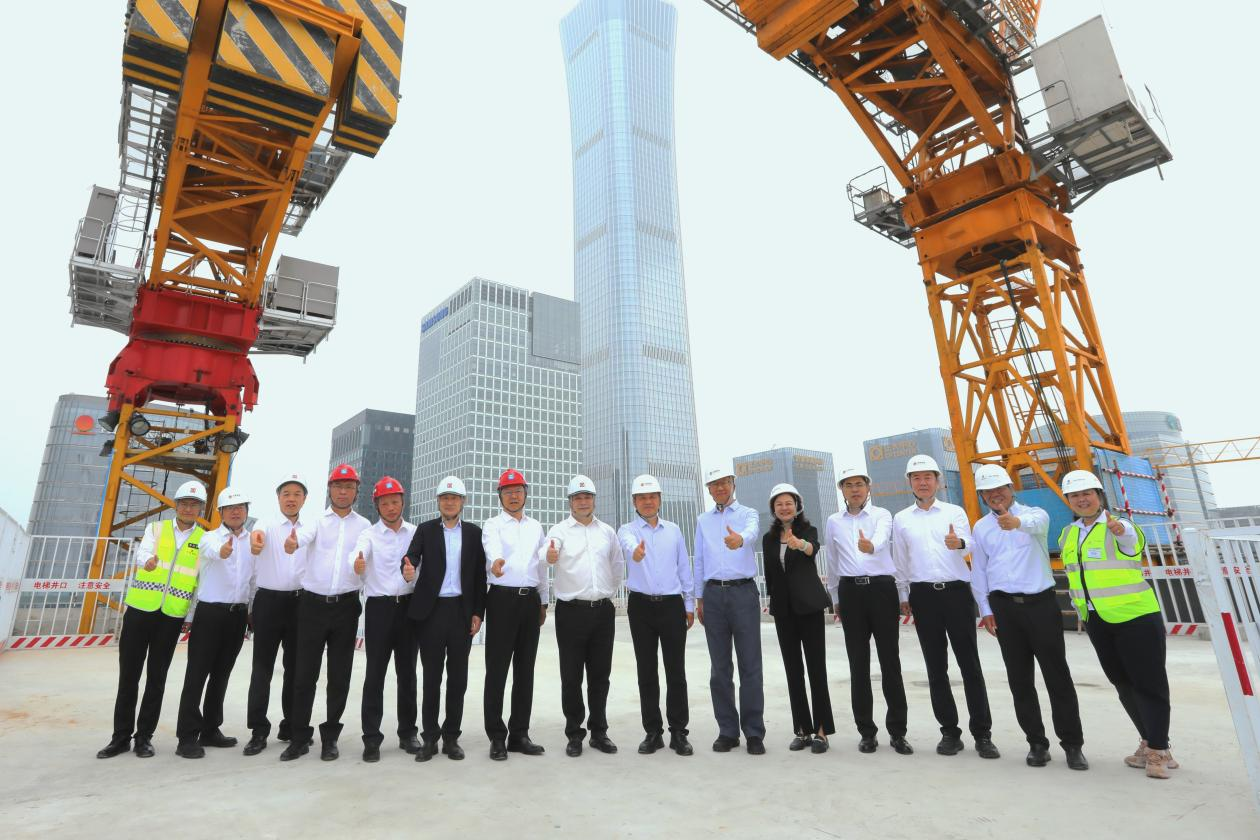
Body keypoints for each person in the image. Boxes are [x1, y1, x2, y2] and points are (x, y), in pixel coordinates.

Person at [1059, 469, 1176, 779]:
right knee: (1123, 685)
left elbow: (1130, 540)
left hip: (1136, 617)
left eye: (1087, 493)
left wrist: (1119, 527)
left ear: (1099, 496)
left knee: (1149, 684)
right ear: (1068, 500)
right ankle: (1150, 741)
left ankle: (1159, 750)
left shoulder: (1120, 526)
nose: (1081, 500)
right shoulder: (1068, 534)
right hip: (1097, 619)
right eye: (1074, 495)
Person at [971, 464, 1087, 771]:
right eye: (988, 492)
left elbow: (1036, 524)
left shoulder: (1035, 515)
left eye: (1000, 489)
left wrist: (1016, 522)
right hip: (1004, 609)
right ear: (982, 496)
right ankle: (1036, 743)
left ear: (1011, 489)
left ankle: (1072, 745)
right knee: (1019, 680)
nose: (995, 495)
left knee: (1057, 676)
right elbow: (979, 570)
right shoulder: (981, 528)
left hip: (1041, 605)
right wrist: (985, 609)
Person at [892, 454, 999, 759]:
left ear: (938, 481)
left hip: (956, 593)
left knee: (970, 665)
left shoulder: (954, 512)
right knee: (936, 667)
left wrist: (959, 544)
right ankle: (950, 732)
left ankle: (982, 734)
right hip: (923, 596)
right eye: (916, 478)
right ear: (910, 483)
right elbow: (901, 559)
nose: (922, 482)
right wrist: (903, 594)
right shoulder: (902, 519)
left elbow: (970, 544)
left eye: (928, 477)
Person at [97, 481, 207, 759]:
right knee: (129, 676)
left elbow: (199, 581)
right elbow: (143, 552)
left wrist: (190, 616)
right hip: (140, 610)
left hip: (171, 616)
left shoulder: (204, 539)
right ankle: (120, 737)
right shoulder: (156, 529)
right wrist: (146, 561)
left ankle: (144, 737)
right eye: (184, 503)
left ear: (201, 509)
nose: (189, 508)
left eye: (194, 505)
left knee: (156, 678)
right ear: (176, 505)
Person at [281, 464, 371, 761]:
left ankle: (330, 737)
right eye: (338, 486)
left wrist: (360, 566)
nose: (343, 492)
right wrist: (294, 542)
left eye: (349, 487)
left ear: (356, 491)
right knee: (304, 674)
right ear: (330, 489)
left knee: (339, 675)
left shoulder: (365, 526)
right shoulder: (315, 521)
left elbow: (364, 555)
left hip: (346, 606)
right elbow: (303, 537)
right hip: (312, 606)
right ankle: (299, 737)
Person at [825, 467, 912, 755]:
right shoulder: (834, 521)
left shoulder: (882, 515)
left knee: (890, 661)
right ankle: (866, 731)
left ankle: (898, 732)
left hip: (881, 590)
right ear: (842, 490)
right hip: (851, 593)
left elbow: (882, 537)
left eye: (859, 484)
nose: (855, 489)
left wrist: (870, 546)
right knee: (858, 664)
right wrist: (835, 596)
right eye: (849, 485)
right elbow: (833, 561)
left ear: (868, 488)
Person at [403, 476, 487, 762]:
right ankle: (430, 738)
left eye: (454, 498)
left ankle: (452, 738)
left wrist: (478, 612)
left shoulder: (474, 533)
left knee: (458, 679)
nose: (449, 502)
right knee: (431, 678)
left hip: (461, 612)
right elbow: (411, 557)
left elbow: (479, 577)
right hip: (432, 612)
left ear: (462, 502)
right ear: (438, 502)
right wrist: (408, 569)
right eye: (444, 498)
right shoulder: (426, 530)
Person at [544, 475, 625, 757]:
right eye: (577, 498)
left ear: (593, 500)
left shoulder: (607, 532)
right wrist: (549, 556)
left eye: (587, 497)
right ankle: (574, 733)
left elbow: (617, 565)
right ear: (570, 502)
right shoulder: (559, 530)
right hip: (570, 612)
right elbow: (549, 551)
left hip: (602, 611)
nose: (582, 502)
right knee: (571, 676)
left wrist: (606, 592)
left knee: (600, 675)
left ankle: (599, 732)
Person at [175, 487, 256, 758]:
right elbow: (210, 551)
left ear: (246, 511)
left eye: (240, 507)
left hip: (237, 616)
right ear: (220, 512)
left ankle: (211, 729)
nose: (236, 512)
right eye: (230, 508)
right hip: (210, 615)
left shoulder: (253, 542)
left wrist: (251, 612)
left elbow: (253, 580)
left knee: (221, 675)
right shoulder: (208, 538)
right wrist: (223, 550)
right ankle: (187, 737)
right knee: (197, 675)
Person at [617, 474, 694, 756]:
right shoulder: (626, 530)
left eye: (652, 497)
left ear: (659, 500)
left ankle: (679, 732)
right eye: (642, 498)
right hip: (641, 607)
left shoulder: (673, 530)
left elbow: (684, 568)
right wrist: (635, 554)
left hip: (672, 605)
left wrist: (688, 604)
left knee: (676, 671)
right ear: (634, 502)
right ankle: (653, 732)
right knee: (646, 671)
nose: (647, 502)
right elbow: (628, 546)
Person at [693, 464, 765, 754]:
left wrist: (740, 539)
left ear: (733, 484)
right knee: (719, 668)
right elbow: (699, 559)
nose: (720, 488)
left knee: (750, 665)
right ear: (709, 490)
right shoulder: (703, 520)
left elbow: (752, 532)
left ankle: (754, 732)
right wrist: (699, 598)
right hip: (712, 596)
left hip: (743, 593)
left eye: (725, 482)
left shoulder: (748, 514)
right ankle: (727, 730)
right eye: (715, 484)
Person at [481, 468, 548, 760]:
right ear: (500, 496)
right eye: (508, 492)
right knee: (497, 670)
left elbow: (541, 566)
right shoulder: (493, 524)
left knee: (525, 670)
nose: (513, 496)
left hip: (530, 601)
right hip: (501, 600)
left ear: (525, 494)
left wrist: (543, 601)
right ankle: (497, 736)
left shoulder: (536, 527)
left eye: (518, 491)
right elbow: (491, 547)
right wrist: (496, 561)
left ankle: (519, 734)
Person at [762, 483, 835, 754]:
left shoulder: (808, 530)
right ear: (773, 508)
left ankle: (821, 731)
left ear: (797, 506)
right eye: (779, 504)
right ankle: (802, 729)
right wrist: (773, 602)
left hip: (809, 608)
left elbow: (812, 549)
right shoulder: (768, 539)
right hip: (784, 611)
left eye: (789, 503)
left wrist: (799, 544)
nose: (784, 508)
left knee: (816, 669)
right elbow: (770, 574)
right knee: (793, 671)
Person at [352, 476, 420, 762]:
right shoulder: (368, 535)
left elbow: (423, 569)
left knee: (408, 674)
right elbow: (358, 555)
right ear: (376, 505)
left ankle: (408, 733)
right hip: (379, 609)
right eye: (384, 503)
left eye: (395, 502)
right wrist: (357, 564)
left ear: (403, 502)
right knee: (375, 675)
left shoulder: (415, 533)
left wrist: (413, 575)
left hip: (408, 609)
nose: (391, 507)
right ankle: (371, 738)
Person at [243, 472, 309, 755]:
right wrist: (256, 541)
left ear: (304, 499)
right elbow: (256, 538)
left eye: (297, 494)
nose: (291, 499)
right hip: (268, 603)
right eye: (286, 494)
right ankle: (258, 730)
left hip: (300, 604)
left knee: (296, 669)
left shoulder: (310, 528)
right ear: (278, 498)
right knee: (262, 669)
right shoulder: (266, 525)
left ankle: (291, 725)